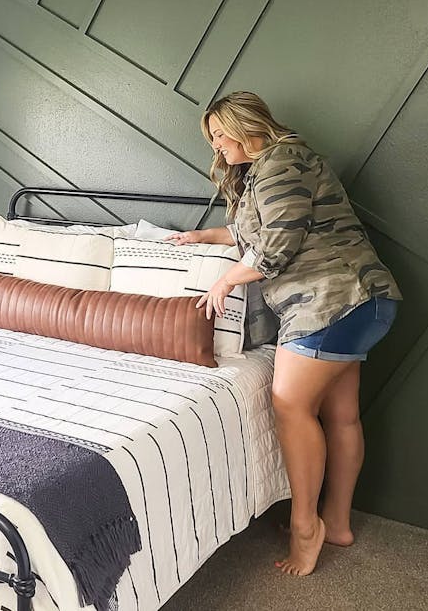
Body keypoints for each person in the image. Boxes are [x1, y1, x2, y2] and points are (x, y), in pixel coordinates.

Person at [165, 91, 401, 576]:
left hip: (331, 301)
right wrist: (202, 237)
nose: (216, 148)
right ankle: (335, 523)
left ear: (243, 124)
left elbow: (279, 241)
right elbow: (254, 230)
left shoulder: (279, 161)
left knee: (290, 404)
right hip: (360, 300)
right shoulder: (273, 168)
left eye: (219, 135)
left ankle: (305, 528)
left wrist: (227, 278)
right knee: (341, 415)